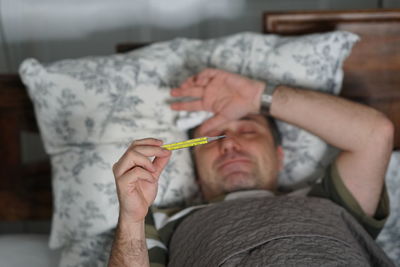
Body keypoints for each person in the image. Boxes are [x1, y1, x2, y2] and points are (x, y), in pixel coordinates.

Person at [108, 69, 395, 266]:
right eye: (212, 138)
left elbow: (374, 134)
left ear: (279, 155)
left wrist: (258, 96)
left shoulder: (330, 200)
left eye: (248, 131)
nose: (229, 144)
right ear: (195, 167)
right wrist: (131, 218)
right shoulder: (156, 221)